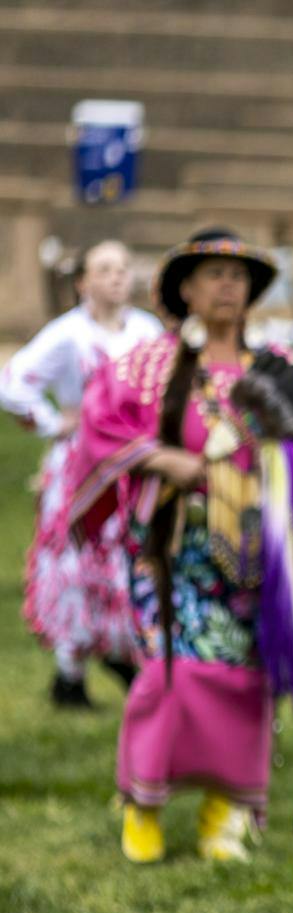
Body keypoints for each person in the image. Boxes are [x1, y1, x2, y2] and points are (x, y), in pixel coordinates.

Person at [64, 228, 293, 864]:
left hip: (253, 552)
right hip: (173, 548)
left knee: (245, 679)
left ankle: (224, 814)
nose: (226, 287)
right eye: (212, 275)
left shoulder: (275, 370)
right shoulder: (148, 365)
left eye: (238, 278)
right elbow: (101, 424)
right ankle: (144, 805)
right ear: (185, 289)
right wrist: (162, 459)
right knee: (171, 675)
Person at [0, 240, 160, 708]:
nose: (116, 277)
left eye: (123, 268)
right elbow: (12, 384)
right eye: (105, 269)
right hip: (81, 465)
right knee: (75, 564)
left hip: (132, 464)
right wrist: (53, 422)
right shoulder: (68, 335)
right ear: (82, 282)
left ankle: (124, 652)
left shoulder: (145, 331)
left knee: (126, 559)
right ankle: (70, 673)